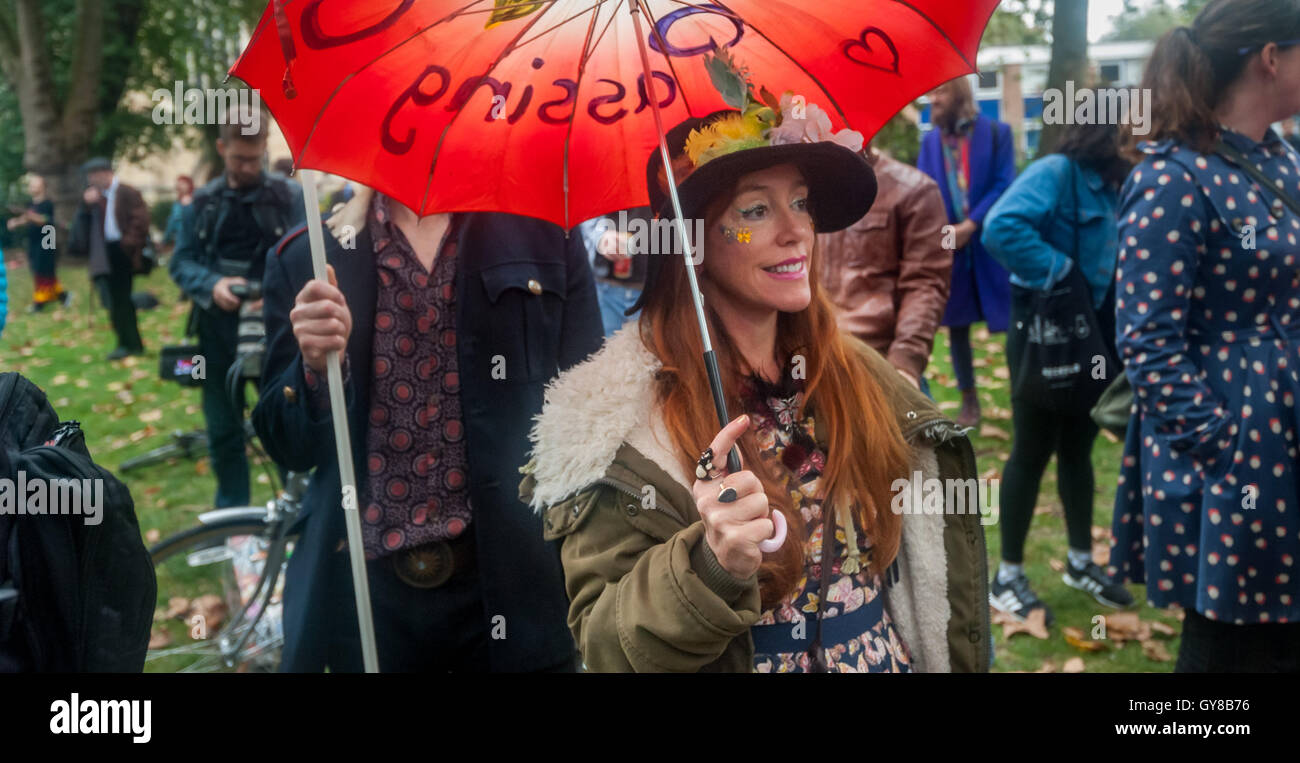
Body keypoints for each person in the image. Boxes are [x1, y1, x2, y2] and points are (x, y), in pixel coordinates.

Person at [523, 62, 989, 673]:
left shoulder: (860, 379)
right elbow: (607, 646)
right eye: (754, 211)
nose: (796, 231)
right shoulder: (617, 428)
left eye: (799, 202)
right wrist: (709, 566)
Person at [252, 181, 602, 672]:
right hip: (367, 600)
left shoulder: (543, 237)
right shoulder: (310, 255)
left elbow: (588, 406)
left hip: (515, 591)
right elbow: (288, 446)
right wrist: (312, 369)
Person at [1108, 0, 1300, 672]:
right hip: (1235, 445)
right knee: (1230, 644)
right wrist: (1227, 446)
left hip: (1284, 427)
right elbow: (1147, 342)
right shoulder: (1174, 178)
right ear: (1271, 59)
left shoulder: (1281, 160)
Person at [982, 119, 1134, 624]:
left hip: (1097, 338)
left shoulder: (1123, 184)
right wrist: (1059, 270)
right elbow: (1001, 227)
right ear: (1107, 134)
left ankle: (1079, 562)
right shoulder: (1056, 173)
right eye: (1134, 136)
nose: (1143, 147)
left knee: (1079, 449)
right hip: (1046, 339)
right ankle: (1007, 575)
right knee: (1030, 450)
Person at [170, 116, 303, 509]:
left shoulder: (288, 197)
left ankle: (298, 505)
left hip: (276, 327)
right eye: (238, 158)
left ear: (265, 148)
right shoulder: (202, 203)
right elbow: (181, 262)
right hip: (217, 329)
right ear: (221, 148)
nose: (247, 167)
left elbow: (309, 252)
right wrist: (212, 285)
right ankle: (233, 514)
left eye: (254, 158)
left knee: (283, 420)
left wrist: (277, 292)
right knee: (222, 427)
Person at [917, 77, 1015, 427]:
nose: (934, 99)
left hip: (989, 241)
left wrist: (971, 225)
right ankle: (969, 399)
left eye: (940, 92)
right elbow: (924, 190)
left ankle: (1020, 390)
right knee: (956, 325)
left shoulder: (996, 133)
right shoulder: (929, 141)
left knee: (1009, 318)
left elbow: (1005, 182)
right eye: (932, 92)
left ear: (959, 94)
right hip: (949, 245)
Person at [818, 145, 951, 395]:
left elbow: (925, 284)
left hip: (879, 361)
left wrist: (905, 363)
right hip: (814, 362)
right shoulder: (804, 190)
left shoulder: (915, 190)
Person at [72, 157, 151, 360]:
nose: (91, 180)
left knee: (121, 300)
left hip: (122, 251)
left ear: (105, 173)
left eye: (93, 176)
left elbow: (140, 219)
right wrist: (86, 205)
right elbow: (83, 228)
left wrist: (128, 243)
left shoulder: (126, 192)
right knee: (115, 301)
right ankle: (127, 343)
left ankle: (130, 344)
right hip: (105, 252)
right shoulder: (97, 198)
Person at [580, 206, 652, 336]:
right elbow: (585, 207)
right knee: (602, 352)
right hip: (605, 289)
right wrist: (600, 236)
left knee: (646, 353)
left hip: (653, 293)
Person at [6, 175, 71, 312]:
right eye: (31, 184)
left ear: (43, 187)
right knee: (39, 269)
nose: (32, 187)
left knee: (43, 270)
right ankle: (62, 296)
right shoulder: (31, 205)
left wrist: (27, 215)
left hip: (47, 239)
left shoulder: (47, 203)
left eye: (35, 184)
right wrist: (15, 222)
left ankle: (39, 301)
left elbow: (42, 220)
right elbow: (26, 218)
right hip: (35, 240)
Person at [161, 175, 195, 250]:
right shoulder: (177, 204)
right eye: (178, 184)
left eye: (183, 183)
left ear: (189, 184)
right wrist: (165, 239)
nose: (180, 186)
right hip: (179, 239)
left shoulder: (196, 201)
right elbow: (171, 222)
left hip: (192, 239)